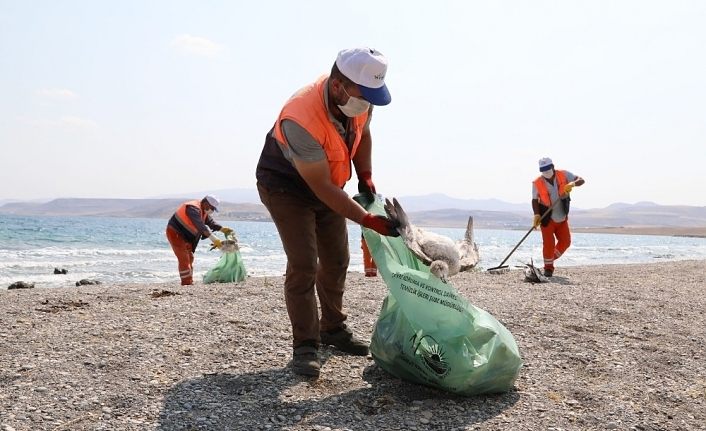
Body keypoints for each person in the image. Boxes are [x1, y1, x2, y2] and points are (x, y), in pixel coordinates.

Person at [255, 47, 400, 377]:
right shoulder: (300, 118)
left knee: (336, 258)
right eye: (364, 96)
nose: (368, 104)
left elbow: (363, 135)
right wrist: (366, 219)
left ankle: (332, 328)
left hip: (327, 183)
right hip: (286, 186)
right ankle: (305, 344)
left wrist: (365, 174)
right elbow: (320, 189)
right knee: (305, 263)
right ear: (338, 86)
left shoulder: (359, 101)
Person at [531, 157, 585, 277]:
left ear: (553, 167)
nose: (546, 173)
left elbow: (581, 180)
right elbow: (534, 200)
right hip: (547, 218)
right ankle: (548, 268)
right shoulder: (537, 182)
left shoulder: (564, 175)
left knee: (565, 242)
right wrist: (536, 214)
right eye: (543, 170)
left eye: (548, 169)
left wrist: (573, 183)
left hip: (562, 217)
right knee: (548, 243)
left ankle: (550, 258)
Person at [166, 195, 234, 286]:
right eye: (212, 208)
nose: (212, 211)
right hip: (175, 233)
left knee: (190, 258)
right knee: (184, 259)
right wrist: (215, 240)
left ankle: (189, 282)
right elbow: (201, 227)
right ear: (206, 203)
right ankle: (186, 283)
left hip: (185, 236)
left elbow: (211, 223)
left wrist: (222, 229)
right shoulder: (192, 208)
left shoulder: (203, 210)